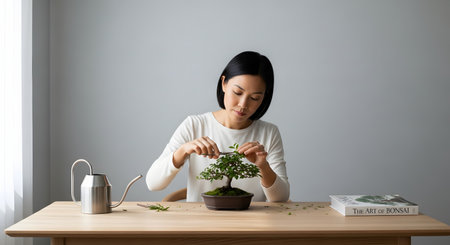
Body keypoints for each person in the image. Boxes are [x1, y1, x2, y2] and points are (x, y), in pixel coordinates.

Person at [146, 51, 289, 202]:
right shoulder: (194, 125)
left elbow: (281, 198)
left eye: (255, 98)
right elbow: (153, 184)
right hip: (201, 224)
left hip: (251, 224)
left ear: (264, 97)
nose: (243, 105)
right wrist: (183, 151)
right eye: (237, 92)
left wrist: (263, 166)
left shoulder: (268, 133)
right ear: (224, 84)